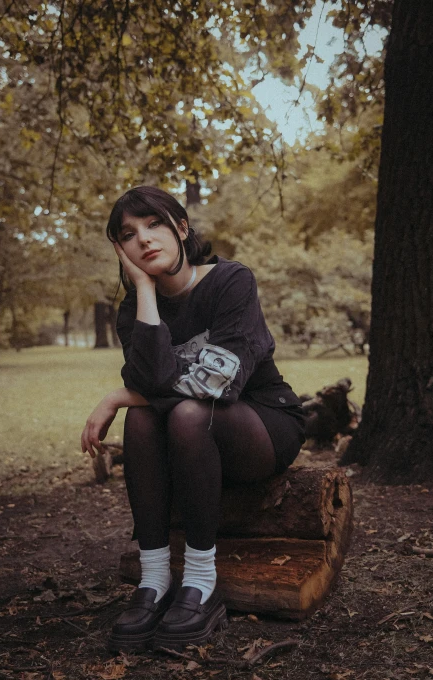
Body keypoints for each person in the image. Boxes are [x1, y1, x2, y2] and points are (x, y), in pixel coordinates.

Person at [81, 186, 306, 653]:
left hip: (263, 422)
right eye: (128, 234)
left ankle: (202, 582)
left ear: (181, 228)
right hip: (192, 430)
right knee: (141, 422)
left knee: (182, 411)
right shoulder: (134, 310)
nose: (143, 239)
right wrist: (144, 291)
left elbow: (214, 385)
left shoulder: (231, 282)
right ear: (121, 251)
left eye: (154, 224)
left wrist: (121, 395)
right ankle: (156, 577)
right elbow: (153, 379)